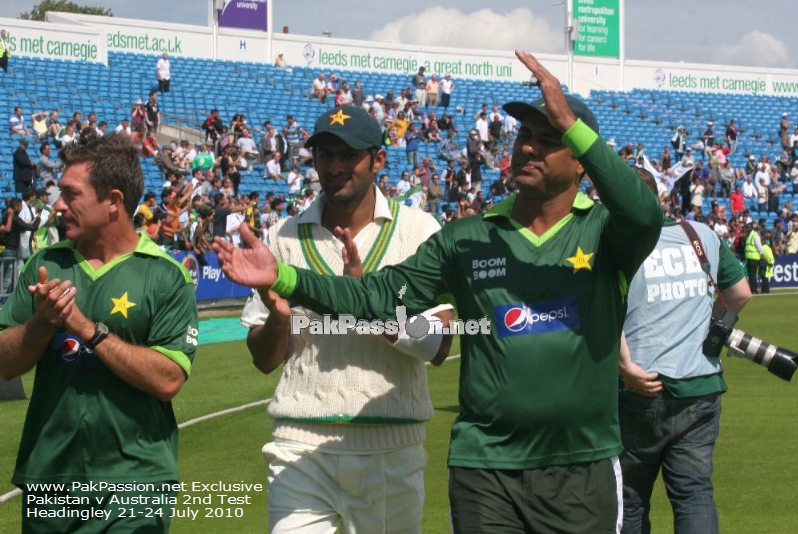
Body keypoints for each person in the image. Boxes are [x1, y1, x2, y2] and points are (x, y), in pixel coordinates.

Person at [213, 50, 663, 533]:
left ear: (580, 162)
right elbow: (377, 296)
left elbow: (644, 213)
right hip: (486, 467)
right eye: (524, 137)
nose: (528, 148)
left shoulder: (607, 234)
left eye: (549, 139)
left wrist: (572, 122)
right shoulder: (467, 237)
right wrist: (284, 278)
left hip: (583, 463)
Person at [236, 105, 453, 533]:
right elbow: (264, 360)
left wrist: (370, 308)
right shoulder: (282, 236)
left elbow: (440, 345)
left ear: (378, 159)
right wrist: (279, 321)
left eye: (347, 155)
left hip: (391, 448)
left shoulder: (419, 230)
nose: (333, 167)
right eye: (324, 155)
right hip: (299, 447)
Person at [0, 134, 198, 532]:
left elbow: (168, 379)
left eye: (71, 195)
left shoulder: (164, 275)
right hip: (51, 481)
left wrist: (85, 328)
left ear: (113, 201)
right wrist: (42, 323)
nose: (58, 205)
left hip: (135, 484)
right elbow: (4, 364)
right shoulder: (47, 263)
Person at [618, 169, 752, 534]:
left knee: (629, 497)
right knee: (694, 495)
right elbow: (740, 294)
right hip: (701, 385)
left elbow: (603, 314)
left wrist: (625, 367)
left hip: (640, 386)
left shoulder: (616, 245)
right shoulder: (700, 234)